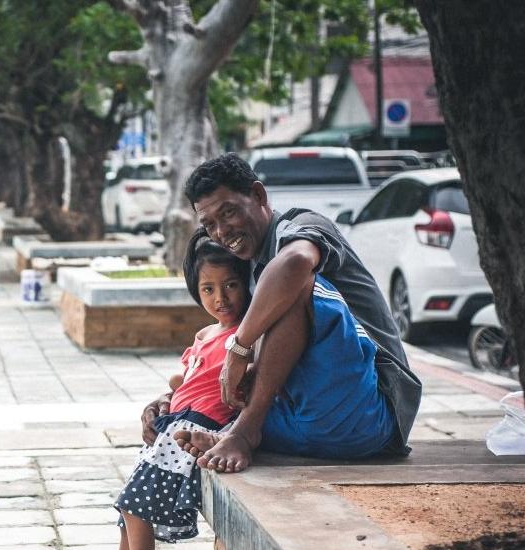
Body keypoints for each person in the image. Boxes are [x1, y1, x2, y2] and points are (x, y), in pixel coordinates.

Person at [155, 153, 421, 472]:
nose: (221, 231)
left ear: (258, 195)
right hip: (293, 422)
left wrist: (239, 348)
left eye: (228, 213)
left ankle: (244, 430)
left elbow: (295, 264)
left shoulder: (304, 226)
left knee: (294, 282)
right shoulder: (249, 265)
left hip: (367, 412)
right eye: (209, 224)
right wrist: (171, 401)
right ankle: (240, 430)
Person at [58, 239, 251, 550]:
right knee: (129, 520)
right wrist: (163, 400)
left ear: (249, 282)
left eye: (231, 285)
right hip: (170, 429)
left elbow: (244, 393)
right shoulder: (205, 335)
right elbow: (185, 383)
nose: (220, 298)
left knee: (134, 508)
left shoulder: (246, 335)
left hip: (192, 437)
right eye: (208, 289)